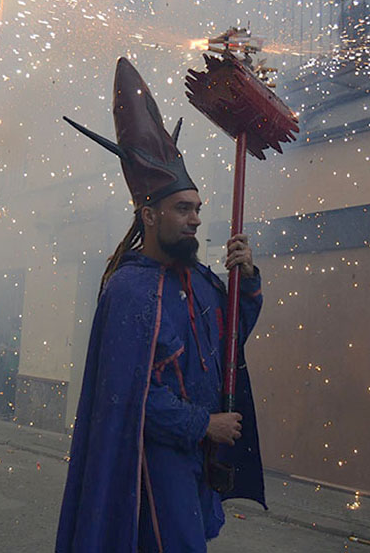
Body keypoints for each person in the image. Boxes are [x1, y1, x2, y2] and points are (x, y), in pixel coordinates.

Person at [56, 58, 265, 552]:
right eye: (182, 209)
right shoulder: (129, 289)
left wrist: (248, 278)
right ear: (149, 214)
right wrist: (202, 424)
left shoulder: (197, 279)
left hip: (195, 459)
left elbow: (230, 335)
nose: (194, 219)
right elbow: (126, 395)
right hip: (152, 463)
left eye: (196, 209)